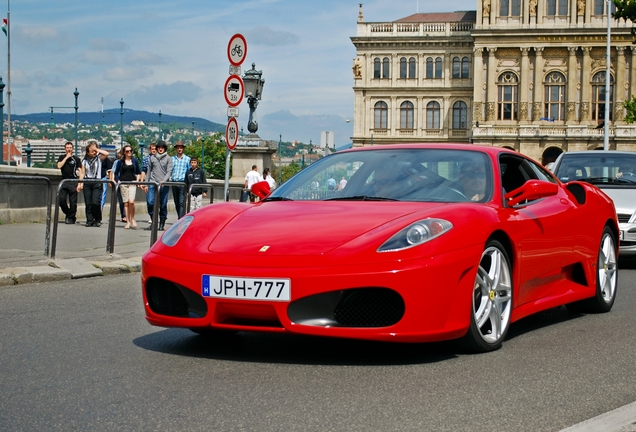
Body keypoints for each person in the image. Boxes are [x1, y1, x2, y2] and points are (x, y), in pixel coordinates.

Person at [144, 140, 173, 231]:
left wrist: (164, 180)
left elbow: (169, 171)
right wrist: (146, 183)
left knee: (163, 204)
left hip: (164, 184)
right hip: (153, 182)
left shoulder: (168, 158)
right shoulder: (152, 158)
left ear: (164, 149)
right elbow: (148, 171)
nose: (160, 149)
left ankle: (162, 223)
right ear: (157, 148)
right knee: (150, 202)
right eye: (159, 147)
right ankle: (153, 221)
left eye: (162, 147)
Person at [80, 140, 109, 227]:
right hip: (87, 182)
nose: (93, 151)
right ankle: (89, 220)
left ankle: (97, 218)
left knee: (95, 202)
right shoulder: (84, 160)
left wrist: (97, 149)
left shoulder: (99, 158)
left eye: (95, 149)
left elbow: (106, 154)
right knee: (88, 203)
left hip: (97, 182)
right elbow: (82, 172)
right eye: (91, 149)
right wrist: (80, 183)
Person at [113, 144, 142, 229]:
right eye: (127, 151)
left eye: (130, 151)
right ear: (124, 152)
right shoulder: (120, 162)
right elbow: (116, 173)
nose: (129, 152)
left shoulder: (135, 161)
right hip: (123, 183)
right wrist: (118, 180)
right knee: (125, 203)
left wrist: (137, 181)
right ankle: (128, 221)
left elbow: (138, 171)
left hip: (132, 182)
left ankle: (133, 219)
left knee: (131, 201)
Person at [57, 141, 82, 224]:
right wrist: (66, 158)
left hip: (73, 181)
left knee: (73, 202)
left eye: (70, 148)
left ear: (73, 149)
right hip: (64, 181)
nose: (69, 149)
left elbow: (81, 171)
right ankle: (68, 214)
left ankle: (71, 218)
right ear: (65, 149)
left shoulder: (76, 159)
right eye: (67, 148)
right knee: (61, 200)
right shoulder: (61, 157)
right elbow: (59, 166)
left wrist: (80, 183)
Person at [171, 141, 191, 219]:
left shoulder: (187, 159)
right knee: (176, 202)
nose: (179, 149)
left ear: (183, 149)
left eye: (181, 148)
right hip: (174, 182)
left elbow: (189, 172)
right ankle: (180, 217)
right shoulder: (172, 159)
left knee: (181, 202)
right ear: (176, 149)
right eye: (178, 148)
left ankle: (180, 218)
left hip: (182, 183)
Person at [141, 142, 157, 223]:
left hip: (157, 181)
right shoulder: (146, 159)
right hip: (149, 181)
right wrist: (142, 182)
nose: (154, 150)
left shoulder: (160, 158)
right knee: (149, 201)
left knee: (157, 201)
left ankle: (155, 216)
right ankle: (151, 215)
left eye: (155, 149)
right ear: (150, 150)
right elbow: (143, 171)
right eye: (152, 149)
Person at [111, 149, 127, 223]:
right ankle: (124, 216)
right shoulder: (116, 162)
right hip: (119, 183)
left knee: (128, 201)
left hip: (127, 183)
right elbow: (113, 172)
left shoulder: (129, 161)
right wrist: (113, 180)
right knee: (121, 201)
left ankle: (128, 216)